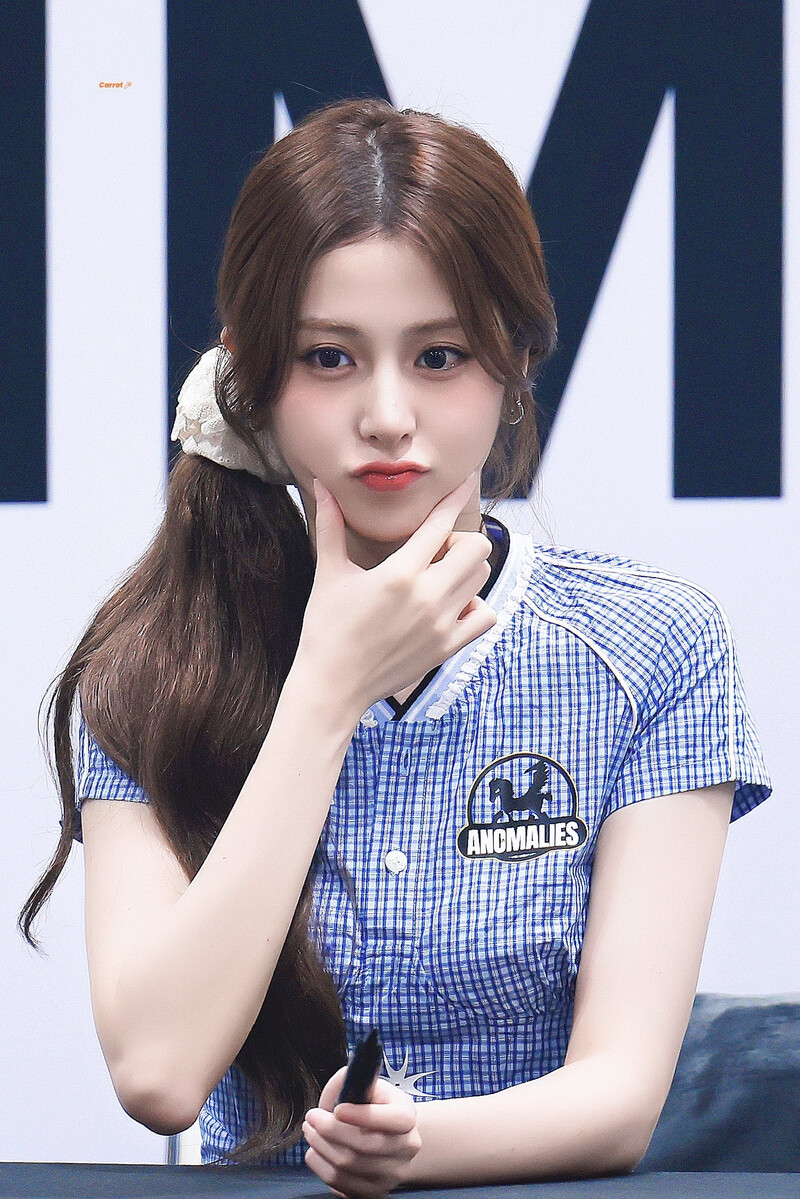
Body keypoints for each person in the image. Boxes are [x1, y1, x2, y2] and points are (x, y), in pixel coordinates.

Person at [20, 96, 771, 1198]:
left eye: (439, 355)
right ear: (250, 380)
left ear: (511, 369)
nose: (385, 414)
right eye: (328, 357)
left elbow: (618, 1096)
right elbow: (159, 1072)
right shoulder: (154, 664)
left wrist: (416, 1144)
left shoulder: (651, 645)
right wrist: (327, 687)